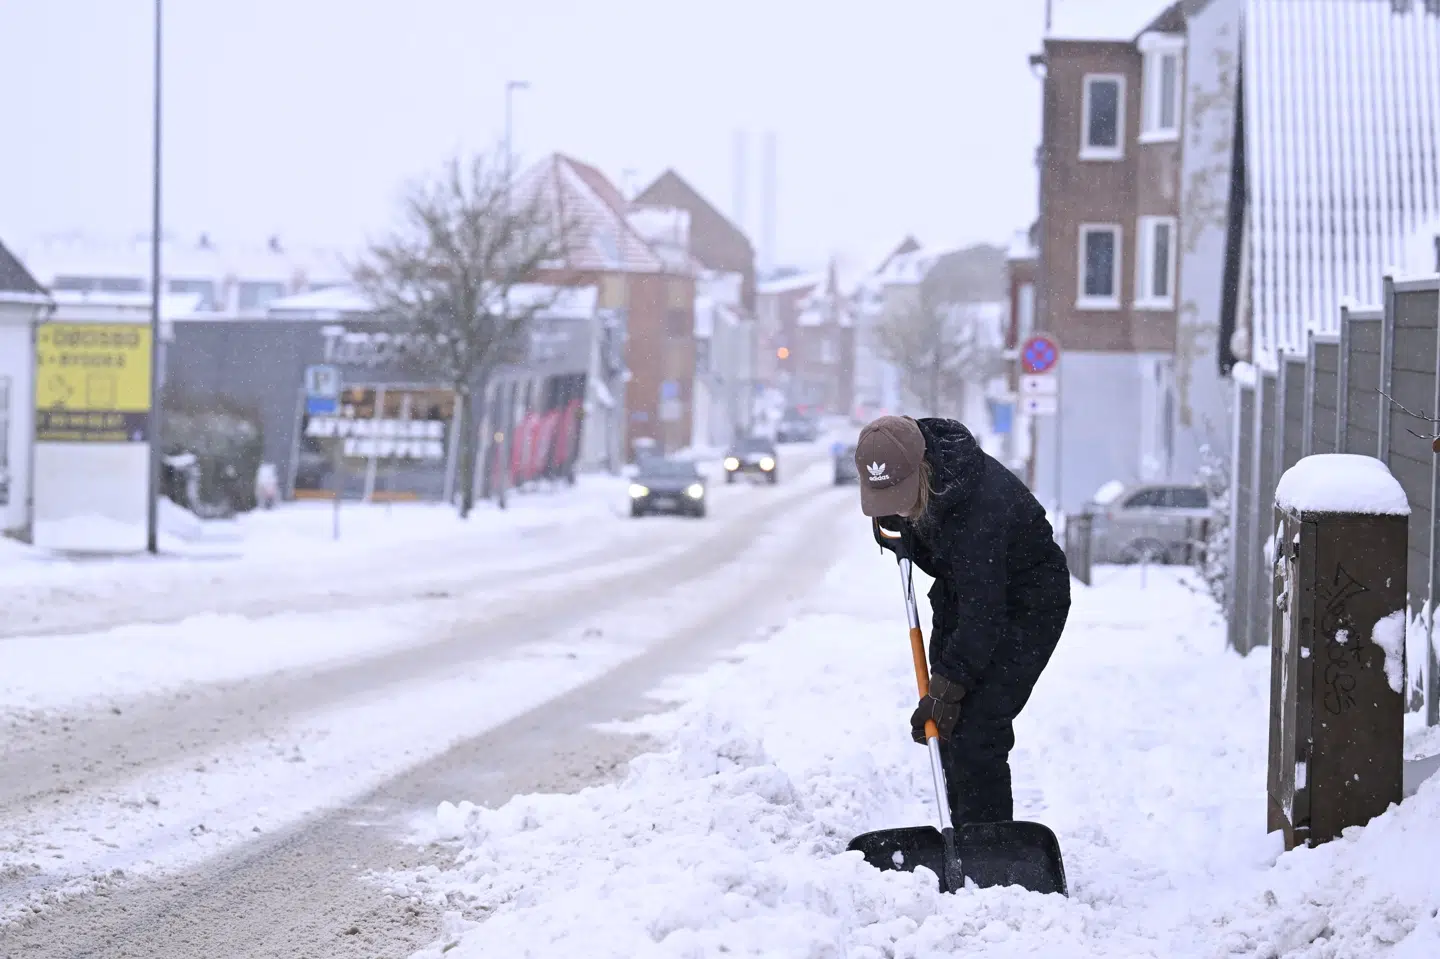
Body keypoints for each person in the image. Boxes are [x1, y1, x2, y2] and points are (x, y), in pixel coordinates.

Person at [854, 414, 1071, 825]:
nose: (895, 507)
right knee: (947, 721)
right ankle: (963, 833)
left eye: (899, 494)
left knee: (978, 725)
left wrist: (948, 686)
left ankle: (988, 846)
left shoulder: (980, 506)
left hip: (1029, 604)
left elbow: (983, 613)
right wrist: (897, 527)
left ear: (923, 469)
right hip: (965, 591)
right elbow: (956, 580)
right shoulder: (914, 470)